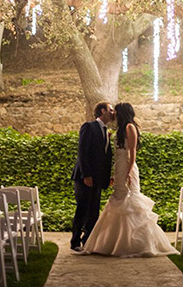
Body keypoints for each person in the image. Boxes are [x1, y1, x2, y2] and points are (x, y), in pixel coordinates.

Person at [81, 102, 179, 257]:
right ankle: (114, 241)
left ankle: (134, 243)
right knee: (118, 200)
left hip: (127, 167)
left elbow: (132, 152)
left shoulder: (129, 127)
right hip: (119, 167)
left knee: (129, 201)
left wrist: (128, 172)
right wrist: (116, 174)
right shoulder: (121, 128)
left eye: (116, 112)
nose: (114, 115)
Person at [70, 101, 115, 252]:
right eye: (110, 109)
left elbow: (105, 157)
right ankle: (75, 242)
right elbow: (82, 152)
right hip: (85, 177)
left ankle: (87, 242)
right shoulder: (89, 127)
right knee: (82, 209)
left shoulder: (106, 131)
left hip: (98, 178)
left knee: (94, 211)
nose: (113, 112)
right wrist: (86, 174)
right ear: (103, 111)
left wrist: (107, 177)